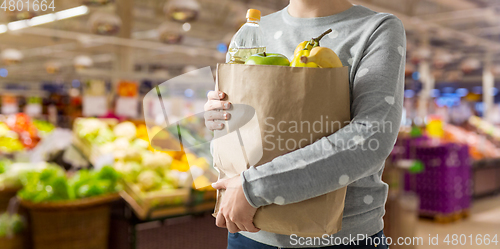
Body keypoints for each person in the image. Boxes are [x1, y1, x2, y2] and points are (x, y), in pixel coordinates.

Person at [205, 0, 406, 248]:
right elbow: (232, 132)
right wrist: (218, 117)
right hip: (248, 232)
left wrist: (254, 187)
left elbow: (372, 138)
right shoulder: (253, 30)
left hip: (340, 238)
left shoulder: (376, 28)